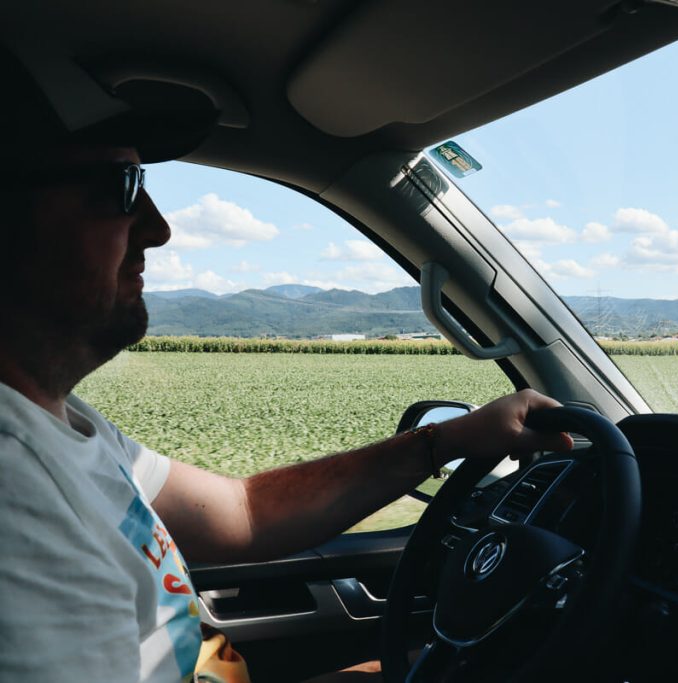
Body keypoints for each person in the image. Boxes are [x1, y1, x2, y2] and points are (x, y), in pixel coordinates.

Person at [0, 48, 573, 682]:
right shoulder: (13, 494)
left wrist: (454, 438)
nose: (158, 228)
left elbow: (243, 510)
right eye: (122, 188)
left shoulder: (58, 421)